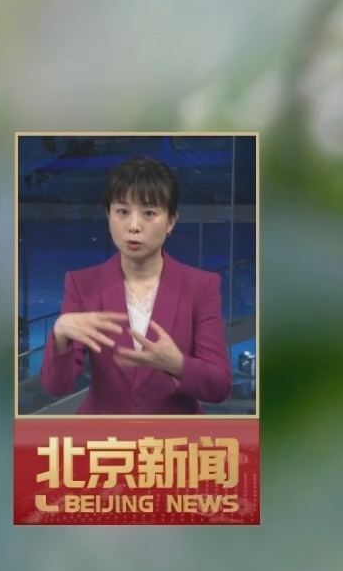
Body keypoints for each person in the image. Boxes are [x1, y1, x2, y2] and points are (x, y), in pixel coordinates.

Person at [39, 155, 232, 414]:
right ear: (108, 216)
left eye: (149, 213)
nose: (133, 226)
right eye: (122, 212)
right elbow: (57, 387)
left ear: (171, 221)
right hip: (104, 443)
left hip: (175, 445)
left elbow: (219, 387)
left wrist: (177, 364)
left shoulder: (201, 287)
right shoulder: (82, 284)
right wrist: (60, 333)